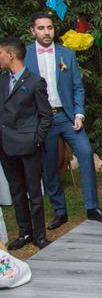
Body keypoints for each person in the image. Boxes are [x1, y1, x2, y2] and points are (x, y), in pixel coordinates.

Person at [24, 11, 102, 230]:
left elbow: (78, 86)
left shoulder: (67, 54)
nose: (46, 32)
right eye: (41, 28)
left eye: (49, 27)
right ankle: (60, 211)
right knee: (49, 165)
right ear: (32, 30)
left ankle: (92, 207)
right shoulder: (25, 54)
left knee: (86, 153)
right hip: (42, 119)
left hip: (67, 116)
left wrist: (79, 113)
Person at [0, 37, 53, 250]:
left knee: (34, 191)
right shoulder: (2, 81)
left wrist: (36, 140)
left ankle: (40, 235)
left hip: (28, 145)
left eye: (0, 53)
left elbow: (46, 115)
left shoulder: (34, 81)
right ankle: (24, 232)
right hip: (5, 145)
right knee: (17, 191)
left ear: (11, 55)